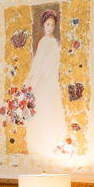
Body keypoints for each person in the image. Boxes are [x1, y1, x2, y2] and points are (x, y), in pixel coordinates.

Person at [25, 9, 65, 159]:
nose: (50, 28)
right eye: (48, 25)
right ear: (43, 25)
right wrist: (32, 80)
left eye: (52, 25)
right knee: (40, 110)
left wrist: (45, 75)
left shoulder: (53, 42)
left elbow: (53, 63)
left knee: (50, 109)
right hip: (42, 81)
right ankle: (38, 143)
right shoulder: (43, 42)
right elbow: (38, 64)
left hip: (49, 82)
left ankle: (51, 144)